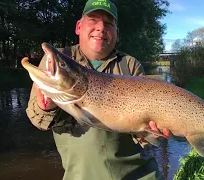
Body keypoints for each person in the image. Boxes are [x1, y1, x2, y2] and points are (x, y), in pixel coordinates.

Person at [25, 0, 170, 179]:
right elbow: (37, 120)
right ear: (79, 26)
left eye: (108, 24)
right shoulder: (56, 60)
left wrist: (151, 130)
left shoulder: (130, 65)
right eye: (93, 20)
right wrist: (45, 107)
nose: (101, 28)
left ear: (116, 33)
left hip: (138, 175)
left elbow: (140, 137)